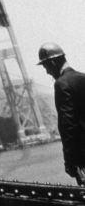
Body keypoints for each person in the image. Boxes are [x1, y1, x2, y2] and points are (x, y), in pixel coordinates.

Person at [37, 43, 85, 185]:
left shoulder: (61, 84)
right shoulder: (83, 77)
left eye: (46, 67)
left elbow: (67, 125)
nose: (47, 72)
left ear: (52, 62)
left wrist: (70, 160)